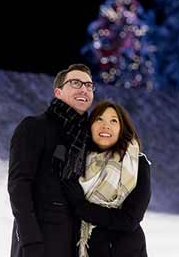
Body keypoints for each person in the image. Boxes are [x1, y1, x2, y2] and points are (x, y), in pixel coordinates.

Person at [8, 64, 96, 257]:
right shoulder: (34, 127)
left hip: (74, 243)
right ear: (58, 92)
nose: (84, 89)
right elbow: (19, 186)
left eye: (89, 85)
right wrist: (30, 240)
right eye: (76, 83)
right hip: (40, 241)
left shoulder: (89, 137)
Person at [62, 101, 151, 257]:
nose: (105, 125)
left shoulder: (137, 163)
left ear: (122, 128)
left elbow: (129, 220)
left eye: (113, 121)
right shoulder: (76, 162)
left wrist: (82, 207)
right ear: (90, 126)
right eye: (99, 119)